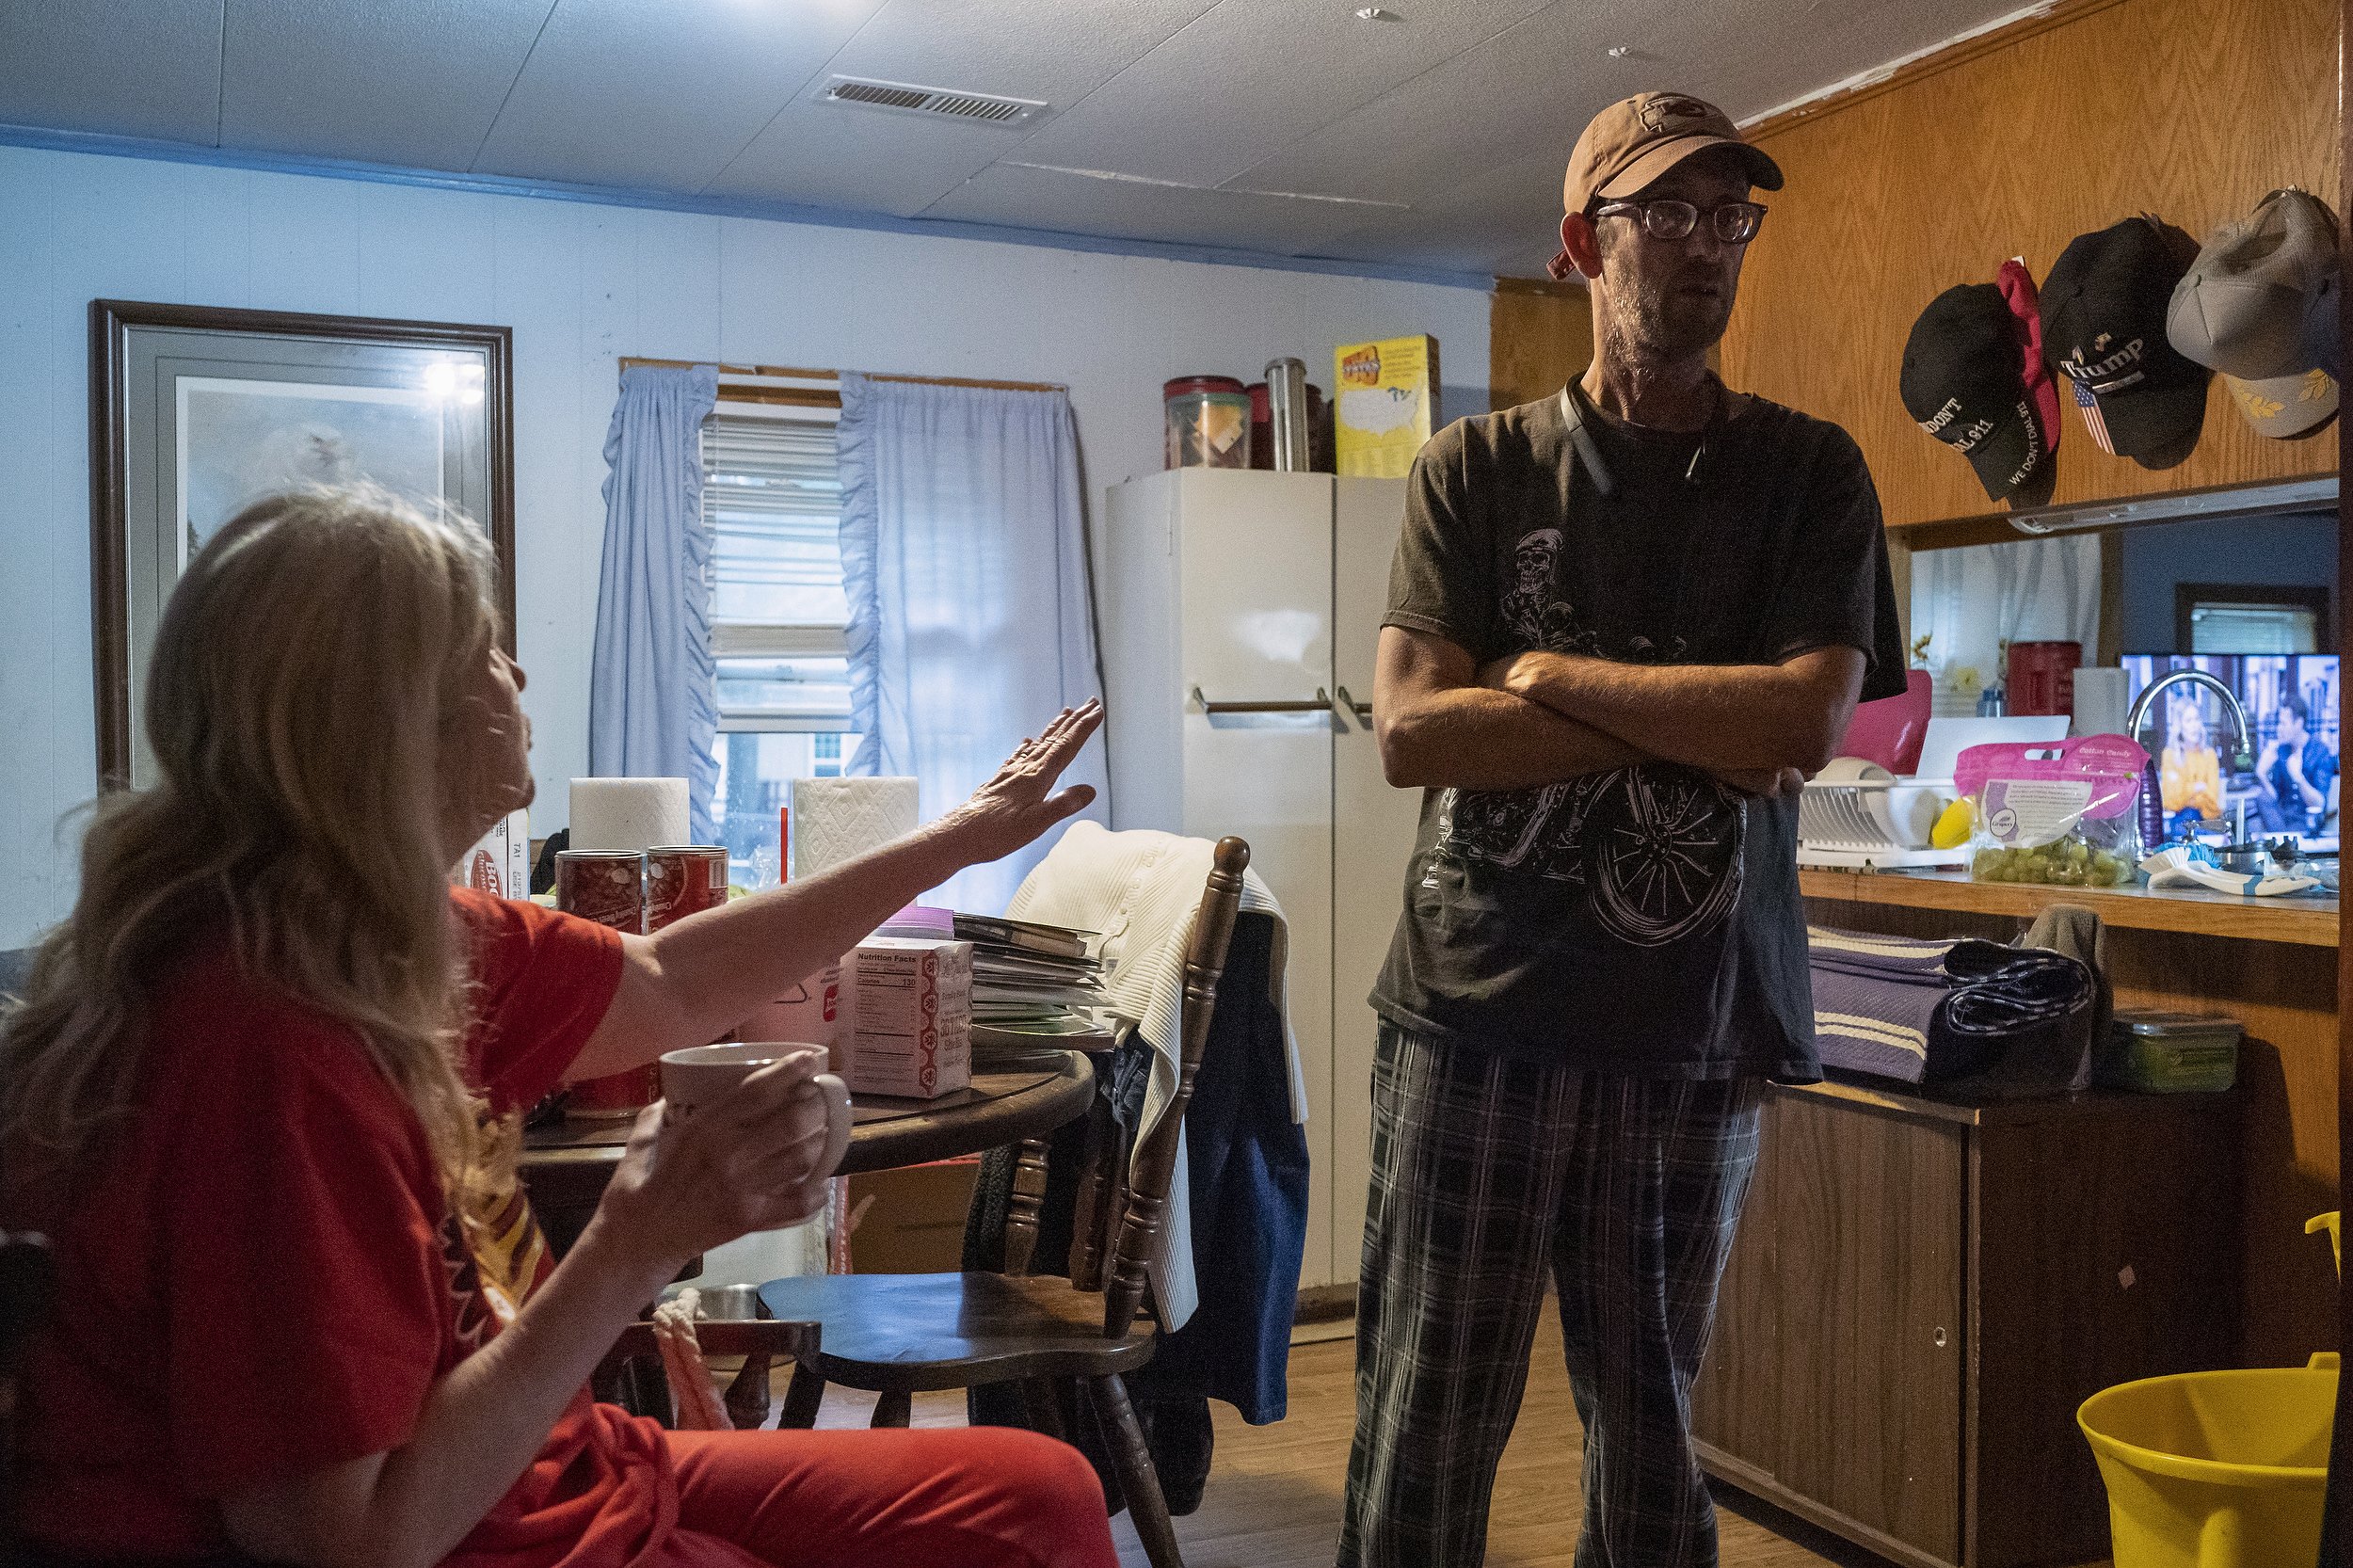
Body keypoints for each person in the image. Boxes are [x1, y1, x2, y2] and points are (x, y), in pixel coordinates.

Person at [2, 487, 1119, 1568]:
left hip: (558, 1475)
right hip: (470, 1528)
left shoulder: (392, 935)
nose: (519, 674)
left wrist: (959, 838)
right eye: (485, 648)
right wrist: (631, 1245)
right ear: (397, 727)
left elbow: (672, 982)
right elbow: (355, 1535)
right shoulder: (275, 1048)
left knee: (1034, 1495)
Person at [1345, 92, 1906, 1568]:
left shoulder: (1810, 473)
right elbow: (1410, 731)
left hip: (1694, 1022)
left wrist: (1538, 678)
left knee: (1655, 1455)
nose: (1704, 246)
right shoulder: (1474, 469)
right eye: (1665, 213)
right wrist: (1695, 714)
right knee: (1424, 1429)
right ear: (1583, 246)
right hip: (1475, 1008)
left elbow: (1801, 727)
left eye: (1730, 216)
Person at [2255, 692, 2337, 836]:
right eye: (2278, 723)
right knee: (2262, 798)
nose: (2278, 728)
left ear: (2298, 723)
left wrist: (2298, 777)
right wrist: (2261, 774)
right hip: (2282, 819)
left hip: (2307, 821)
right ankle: (2283, 841)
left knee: (2290, 831)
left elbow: (2319, 804)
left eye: (2283, 723)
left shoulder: (2320, 751)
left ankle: (2283, 842)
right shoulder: (2282, 750)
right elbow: (2275, 797)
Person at [2158, 696, 2223, 838]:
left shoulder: (2209, 755)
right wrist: (2196, 788)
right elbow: (2170, 802)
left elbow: (2213, 800)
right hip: (2182, 820)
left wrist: (2185, 791)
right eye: (2188, 720)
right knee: (2183, 830)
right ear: (2179, 726)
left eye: (2196, 719)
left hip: (2209, 819)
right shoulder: (2170, 755)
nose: (2194, 725)